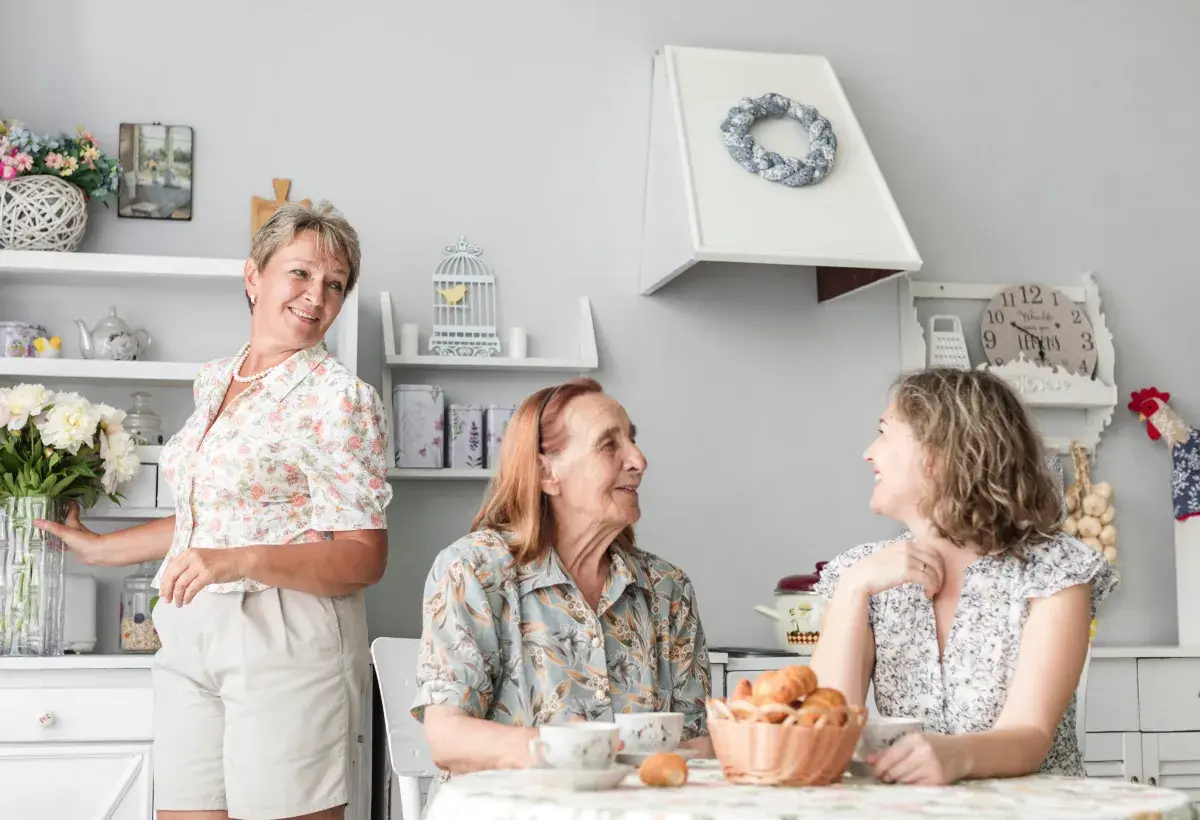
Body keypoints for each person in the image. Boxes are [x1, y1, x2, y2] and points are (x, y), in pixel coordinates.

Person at [35, 202, 393, 820]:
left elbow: (364, 557)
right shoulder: (217, 380)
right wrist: (99, 547)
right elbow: (216, 520)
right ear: (254, 276)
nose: (316, 296)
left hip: (287, 635)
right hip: (190, 629)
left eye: (335, 284)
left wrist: (236, 561)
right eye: (300, 273)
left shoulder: (340, 398)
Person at [809, 367, 1118, 785]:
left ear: (937, 455)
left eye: (884, 433)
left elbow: (1030, 735)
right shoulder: (861, 574)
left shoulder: (1054, 571)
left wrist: (955, 754)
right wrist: (853, 589)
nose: (868, 453)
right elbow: (825, 736)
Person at [411, 378, 714, 781]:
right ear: (546, 473)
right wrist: (565, 751)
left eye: (632, 440)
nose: (638, 460)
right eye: (608, 444)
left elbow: (698, 743)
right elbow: (448, 737)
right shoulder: (474, 571)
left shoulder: (667, 589)